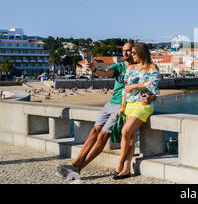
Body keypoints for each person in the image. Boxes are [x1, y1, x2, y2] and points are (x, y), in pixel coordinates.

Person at [56, 41, 156, 178]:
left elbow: (152, 85)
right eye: (124, 51)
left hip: (124, 106)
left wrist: (151, 97)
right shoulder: (122, 67)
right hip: (112, 103)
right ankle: (75, 164)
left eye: (130, 51)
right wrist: (95, 69)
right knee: (94, 131)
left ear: (137, 52)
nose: (126, 53)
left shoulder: (141, 67)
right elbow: (107, 72)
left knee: (103, 135)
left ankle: (79, 168)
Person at [113, 42, 160, 179]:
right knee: (131, 140)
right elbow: (125, 90)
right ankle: (126, 169)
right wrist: (122, 106)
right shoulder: (130, 68)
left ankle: (120, 162)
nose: (131, 56)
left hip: (142, 106)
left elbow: (152, 86)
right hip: (129, 105)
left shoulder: (152, 67)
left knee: (125, 131)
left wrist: (136, 86)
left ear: (141, 53)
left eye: (133, 53)